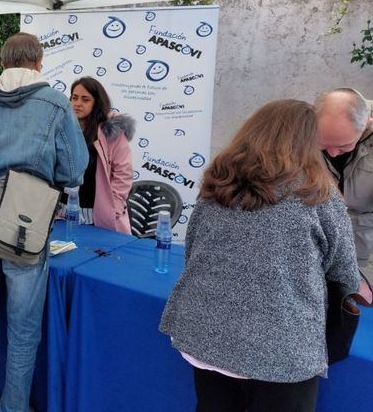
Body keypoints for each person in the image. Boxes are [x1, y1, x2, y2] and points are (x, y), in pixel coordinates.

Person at [160, 99, 360, 412]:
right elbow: (345, 275)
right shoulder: (317, 193)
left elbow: (194, 249)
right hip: (283, 352)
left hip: (206, 338)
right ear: (308, 141)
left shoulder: (218, 182)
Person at [0, 33, 88, 412]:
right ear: (38, 62)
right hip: (25, 222)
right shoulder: (57, 105)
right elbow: (74, 172)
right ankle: (14, 408)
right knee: (23, 328)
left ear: (2, 62)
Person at [67, 77, 134, 232]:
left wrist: (114, 208)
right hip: (63, 214)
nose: (77, 103)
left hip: (97, 217)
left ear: (96, 103)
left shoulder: (111, 133)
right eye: (74, 98)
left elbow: (123, 173)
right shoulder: (62, 127)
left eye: (85, 99)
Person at [315, 88, 373, 266]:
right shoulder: (305, 127)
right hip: (320, 228)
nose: (332, 154)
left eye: (343, 146)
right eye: (324, 144)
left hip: (362, 233)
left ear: (367, 124)